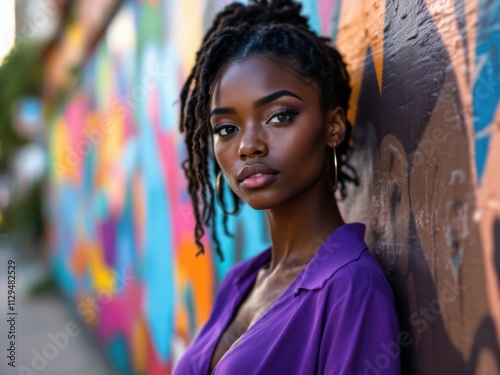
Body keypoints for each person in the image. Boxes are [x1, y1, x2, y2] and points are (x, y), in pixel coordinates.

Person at [173, 1, 401, 374]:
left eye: (279, 116)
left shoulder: (350, 289)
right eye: (226, 128)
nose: (248, 145)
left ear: (334, 127)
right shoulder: (242, 280)